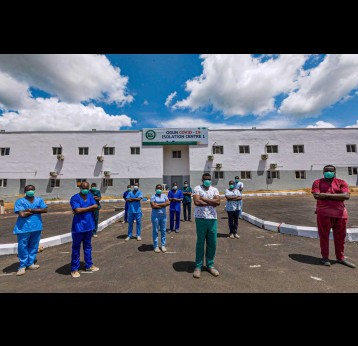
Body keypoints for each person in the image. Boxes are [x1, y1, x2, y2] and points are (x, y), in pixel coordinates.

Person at [312, 164, 356, 268]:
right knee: (324, 237)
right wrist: (338, 196)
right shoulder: (317, 182)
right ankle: (325, 258)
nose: (328, 172)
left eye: (331, 171)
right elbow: (317, 196)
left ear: (334, 172)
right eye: (326, 171)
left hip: (340, 215)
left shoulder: (341, 182)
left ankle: (340, 258)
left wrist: (326, 195)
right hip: (323, 214)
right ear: (323, 172)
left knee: (340, 237)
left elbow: (346, 196)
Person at [13, 185, 48, 276]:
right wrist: (37, 210)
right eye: (29, 190)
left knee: (34, 245)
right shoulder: (20, 201)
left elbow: (45, 210)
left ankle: (30, 263)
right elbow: (22, 215)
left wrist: (30, 210)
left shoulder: (39, 200)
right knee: (22, 246)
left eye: (32, 189)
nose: (31, 191)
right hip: (24, 228)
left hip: (36, 227)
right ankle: (22, 266)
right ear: (25, 191)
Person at [192, 173, 221, 278]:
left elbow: (218, 202)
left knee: (212, 243)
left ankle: (210, 265)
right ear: (202, 179)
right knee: (200, 242)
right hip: (201, 219)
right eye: (205, 179)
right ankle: (198, 266)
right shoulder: (197, 188)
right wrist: (212, 202)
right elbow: (196, 202)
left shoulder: (214, 189)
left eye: (209, 179)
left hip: (212, 219)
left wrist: (203, 199)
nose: (207, 180)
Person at [70, 182, 100, 278]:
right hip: (78, 227)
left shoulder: (90, 196)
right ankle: (74, 269)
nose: (85, 189)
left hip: (89, 226)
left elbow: (96, 207)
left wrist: (82, 209)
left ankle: (89, 265)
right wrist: (90, 207)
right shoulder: (75, 198)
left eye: (87, 188)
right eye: (83, 188)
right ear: (80, 187)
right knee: (76, 248)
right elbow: (78, 210)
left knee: (88, 247)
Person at [150, 184, 170, 253]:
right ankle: (155, 246)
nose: (159, 189)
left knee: (163, 230)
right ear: (155, 189)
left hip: (163, 216)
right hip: (155, 216)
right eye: (157, 188)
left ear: (161, 189)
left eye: (160, 188)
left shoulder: (164, 196)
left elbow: (168, 203)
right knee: (155, 230)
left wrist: (158, 205)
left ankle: (163, 245)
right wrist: (163, 204)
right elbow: (153, 206)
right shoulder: (153, 196)